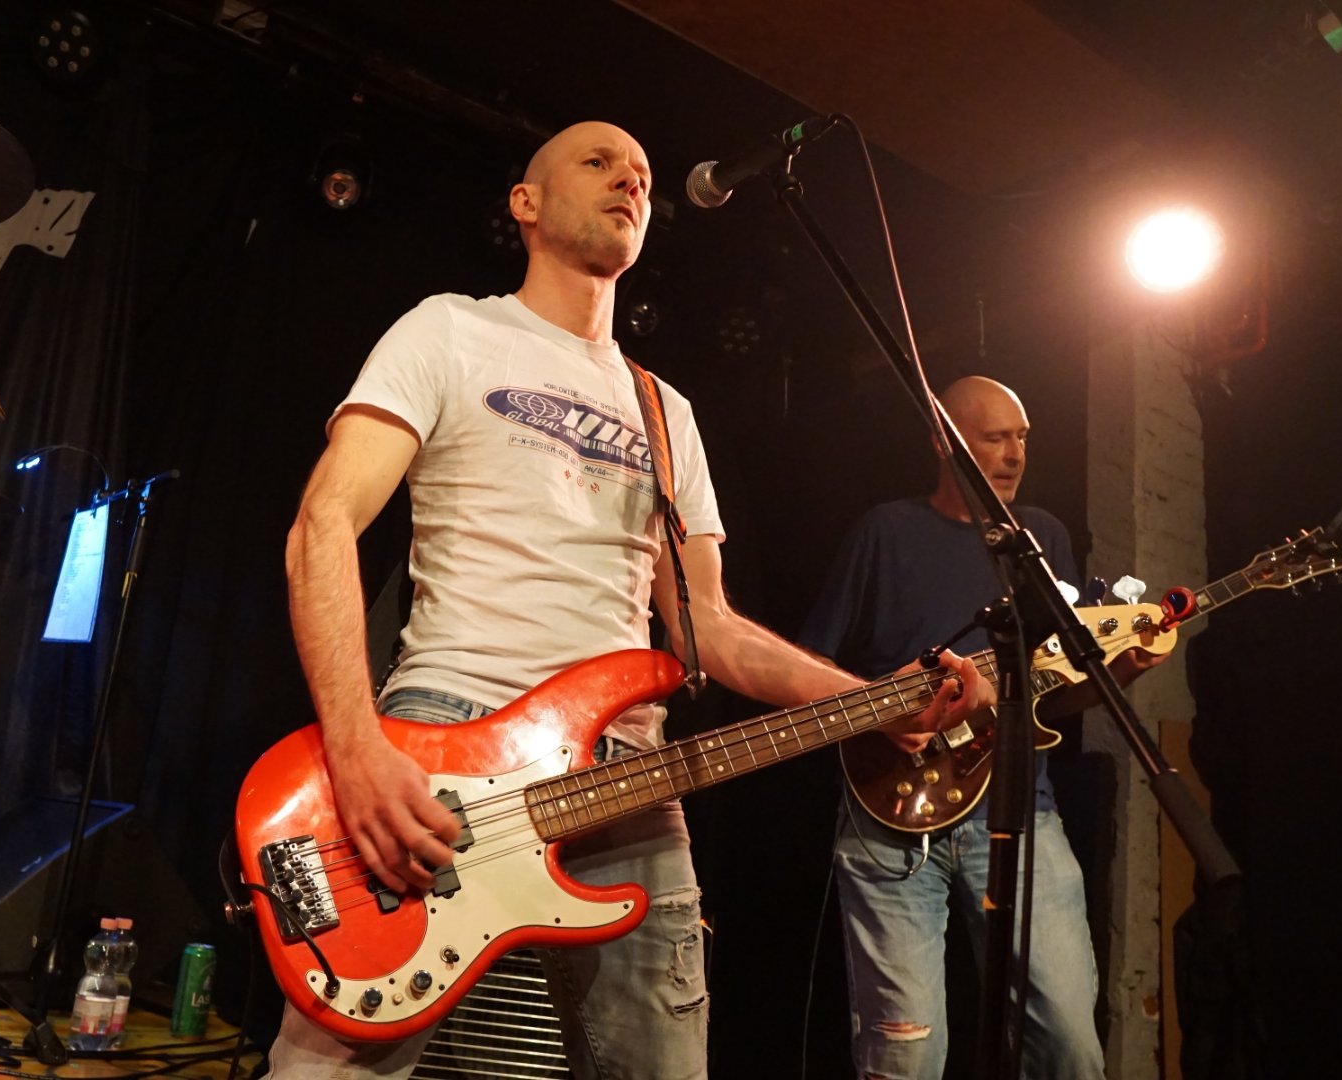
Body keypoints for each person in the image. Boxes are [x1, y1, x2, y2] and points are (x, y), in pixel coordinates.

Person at [272, 121, 993, 1078]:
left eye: (644, 175)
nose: (630, 181)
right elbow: (322, 524)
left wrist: (874, 701)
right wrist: (356, 747)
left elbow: (710, 629)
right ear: (526, 204)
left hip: (627, 778)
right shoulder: (450, 330)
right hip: (445, 733)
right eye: (598, 162)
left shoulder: (666, 411)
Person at [799, 375, 1164, 1080]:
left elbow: (1047, 696)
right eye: (995, 437)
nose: (1015, 453)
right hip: (891, 817)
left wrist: (1123, 671)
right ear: (945, 442)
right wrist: (884, 708)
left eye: (1022, 437)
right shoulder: (885, 531)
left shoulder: (1041, 540)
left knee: (1070, 1046)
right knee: (906, 1055)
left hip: (1021, 810)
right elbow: (808, 662)